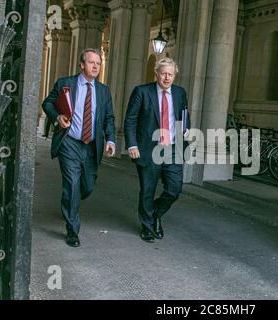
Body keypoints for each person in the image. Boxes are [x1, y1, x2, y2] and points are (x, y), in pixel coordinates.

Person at [42, 48, 116, 247]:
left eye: (98, 63)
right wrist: (56, 117)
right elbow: (47, 103)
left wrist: (110, 140)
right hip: (69, 142)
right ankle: (72, 230)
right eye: (91, 62)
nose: (95, 66)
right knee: (72, 184)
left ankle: (70, 202)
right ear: (82, 64)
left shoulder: (103, 91)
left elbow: (109, 118)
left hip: (91, 146)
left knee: (87, 186)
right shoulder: (65, 84)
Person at [124, 57, 189, 243]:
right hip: (148, 149)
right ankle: (147, 226)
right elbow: (131, 120)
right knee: (147, 190)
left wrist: (185, 129)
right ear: (156, 74)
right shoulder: (142, 92)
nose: (166, 78)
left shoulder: (179, 93)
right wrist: (132, 144)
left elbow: (184, 114)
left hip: (172, 149)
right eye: (163, 74)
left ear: (175, 74)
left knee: (174, 189)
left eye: (170, 74)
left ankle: (153, 214)